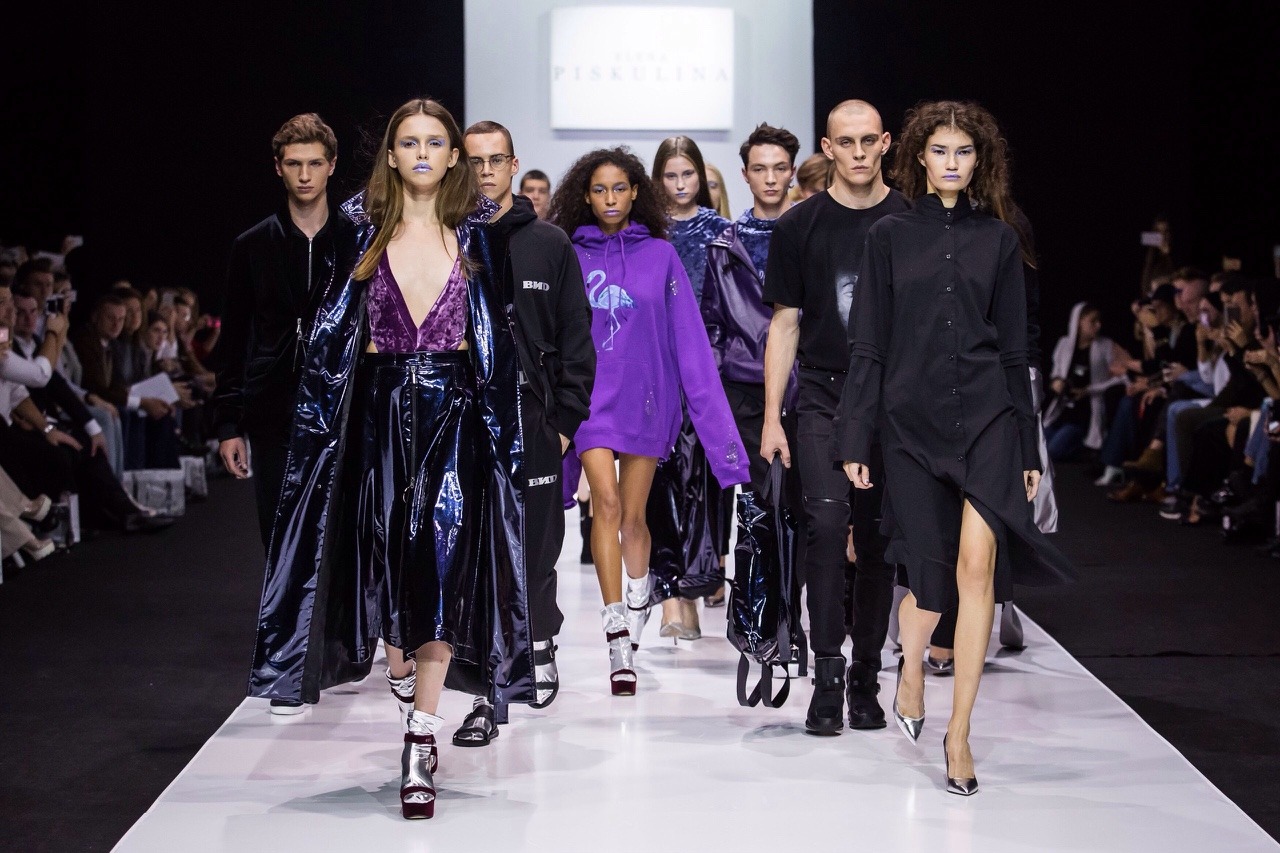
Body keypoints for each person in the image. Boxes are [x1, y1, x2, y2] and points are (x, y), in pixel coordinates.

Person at [246, 98, 534, 821]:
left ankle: (419, 737)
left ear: (454, 156)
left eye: (435, 141)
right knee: (382, 576)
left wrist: (508, 439)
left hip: (454, 418)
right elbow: (328, 336)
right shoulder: (358, 227)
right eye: (410, 142)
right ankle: (404, 683)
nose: (423, 153)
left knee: (440, 566)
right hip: (375, 419)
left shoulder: (480, 232)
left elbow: (497, 341)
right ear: (392, 155)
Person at [834, 100, 1074, 795]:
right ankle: (911, 669)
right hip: (909, 425)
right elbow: (869, 342)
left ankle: (959, 732)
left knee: (977, 569)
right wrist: (855, 433)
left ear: (979, 161)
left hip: (988, 421)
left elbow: (1016, 351)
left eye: (963, 152)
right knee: (931, 583)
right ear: (917, 156)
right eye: (939, 150)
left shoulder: (998, 240)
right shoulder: (887, 236)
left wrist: (1026, 446)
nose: (950, 162)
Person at [549, 146, 747, 694]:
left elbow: (690, 343)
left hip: (645, 400)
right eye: (599, 190)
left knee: (634, 519)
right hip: (590, 399)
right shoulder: (570, 254)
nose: (610, 199)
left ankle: (639, 593)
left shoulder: (661, 255)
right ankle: (617, 636)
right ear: (585, 197)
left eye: (620, 188)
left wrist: (720, 437)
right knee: (606, 505)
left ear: (636, 192)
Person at [760, 99, 911, 736]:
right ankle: (826, 673)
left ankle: (865, 678)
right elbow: (785, 323)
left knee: (876, 540)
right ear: (827, 147)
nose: (857, 152)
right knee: (824, 527)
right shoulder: (800, 226)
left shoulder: (910, 220)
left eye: (868, 141)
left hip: (890, 401)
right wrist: (772, 417)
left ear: (886, 143)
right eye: (845, 142)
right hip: (822, 393)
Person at [449, 120, 595, 746]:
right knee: (475, 549)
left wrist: (563, 423)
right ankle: (487, 686)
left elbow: (576, 336)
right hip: (464, 420)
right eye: (475, 161)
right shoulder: (449, 237)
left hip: (534, 420)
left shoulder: (550, 243)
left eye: (496, 160)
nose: (485, 171)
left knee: (537, 543)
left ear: (514, 165)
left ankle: (539, 638)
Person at [700, 122, 800, 606]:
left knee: (802, 506)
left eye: (779, 168)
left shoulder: (810, 234)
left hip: (806, 385)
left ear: (792, 171)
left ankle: (790, 614)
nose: (771, 178)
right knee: (760, 504)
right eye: (760, 169)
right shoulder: (724, 245)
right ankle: (765, 618)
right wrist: (724, 371)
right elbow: (712, 321)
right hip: (744, 388)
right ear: (744, 174)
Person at [649, 135, 734, 639]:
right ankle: (670, 598)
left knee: (700, 482)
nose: (680, 184)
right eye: (670, 175)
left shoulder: (721, 232)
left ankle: (694, 590)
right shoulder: (648, 232)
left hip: (706, 371)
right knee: (657, 480)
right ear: (657, 179)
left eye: (688, 174)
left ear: (701, 176)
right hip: (657, 369)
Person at [1042, 303, 1130, 461]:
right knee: (1038, 447)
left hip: (1085, 414)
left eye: (1099, 321)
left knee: (1053, 450)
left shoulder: (1105, 346)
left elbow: (1121, 377)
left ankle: (1083, 449)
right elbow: (1056, 373)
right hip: (1062, 410)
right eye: (1092, 321)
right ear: (1079, 322)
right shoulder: (1064, 344)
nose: (1098, 325)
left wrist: (1089, 390)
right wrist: (1056, 382)